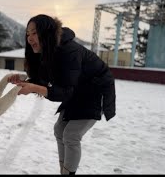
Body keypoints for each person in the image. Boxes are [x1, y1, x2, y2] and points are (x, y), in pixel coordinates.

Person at [8, 14, 116, 175]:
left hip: (96, 91)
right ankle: (64, 171)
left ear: (47, 32)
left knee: (71, 135)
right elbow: (46, 80)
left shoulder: (69, 51)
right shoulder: (47, 50)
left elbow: (64, 91)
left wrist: (34, 88)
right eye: (28, 34)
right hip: (76, 90)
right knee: (59, 130)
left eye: (34, 33)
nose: (30, 38)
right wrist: (27, 81)